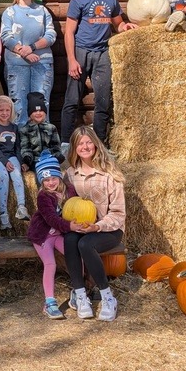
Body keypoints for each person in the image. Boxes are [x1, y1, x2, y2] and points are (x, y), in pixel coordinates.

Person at [60, 0, 136, 145]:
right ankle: (65, 144)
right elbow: (69, 32)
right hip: (81, 51)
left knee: (103, 100)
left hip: (102, 53)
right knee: (72, 99)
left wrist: (125, 26)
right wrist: (72, 60)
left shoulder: (110, 0)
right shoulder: (78, 1)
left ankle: (100, 144)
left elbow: (117, 24)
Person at [64, 126, 126, 321]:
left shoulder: (110, 174)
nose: (85, 146)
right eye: (80, 143)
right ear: (74, 148)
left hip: (109, 229)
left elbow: (118, 214)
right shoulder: (71, 175)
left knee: (85, 244)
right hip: (81, 226)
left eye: (88, 142)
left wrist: (97, 226)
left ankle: (107, 296)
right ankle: (80, 294)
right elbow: (65, 204)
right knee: (70, 240)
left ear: (96, 144)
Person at [0, 0, 57, 126]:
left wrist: (31, 48)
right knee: (19, 105)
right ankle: (21, 145)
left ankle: (43, 145)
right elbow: (6, 36)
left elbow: (51, 35)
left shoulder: (42, 11)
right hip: (17, 65)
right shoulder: (10, 12)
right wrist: (23, 52)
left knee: (41, 104)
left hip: (41, 63)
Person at [27, 151, 76, 320]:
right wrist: (70, 226)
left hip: (59, 233)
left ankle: (79, 290)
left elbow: (77, 207)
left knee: (75, 256)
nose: (50, 183)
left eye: (53, 178)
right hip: (42, 235)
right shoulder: (43, 196)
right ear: (42, 181)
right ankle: (50, 302)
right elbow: (52, 219)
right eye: (46, 180)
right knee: (50, 264)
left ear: (59, 176)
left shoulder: (69, 191)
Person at [0, 95, 29, 230]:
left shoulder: (14, 127)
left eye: (7, 110)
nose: (4, 113)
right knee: (4, 176)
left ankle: (21, 207)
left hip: (12, 157)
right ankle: (3, 214)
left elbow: (17, 147)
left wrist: (21, 161)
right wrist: (4, 162)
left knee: (16, 174)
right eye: (1, 110)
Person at [20, 92, 65, 171]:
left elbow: (56, 146)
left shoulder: (51, 128)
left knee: (55, 172)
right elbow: (25, 147)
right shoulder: (24, 130)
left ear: (45, 112)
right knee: (42, 171)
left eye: (41, 110)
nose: (38, 113)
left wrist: (57, 155)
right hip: (35, 160)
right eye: (34, 111)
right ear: (30, 114)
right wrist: (27, 158)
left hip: (49, 158)